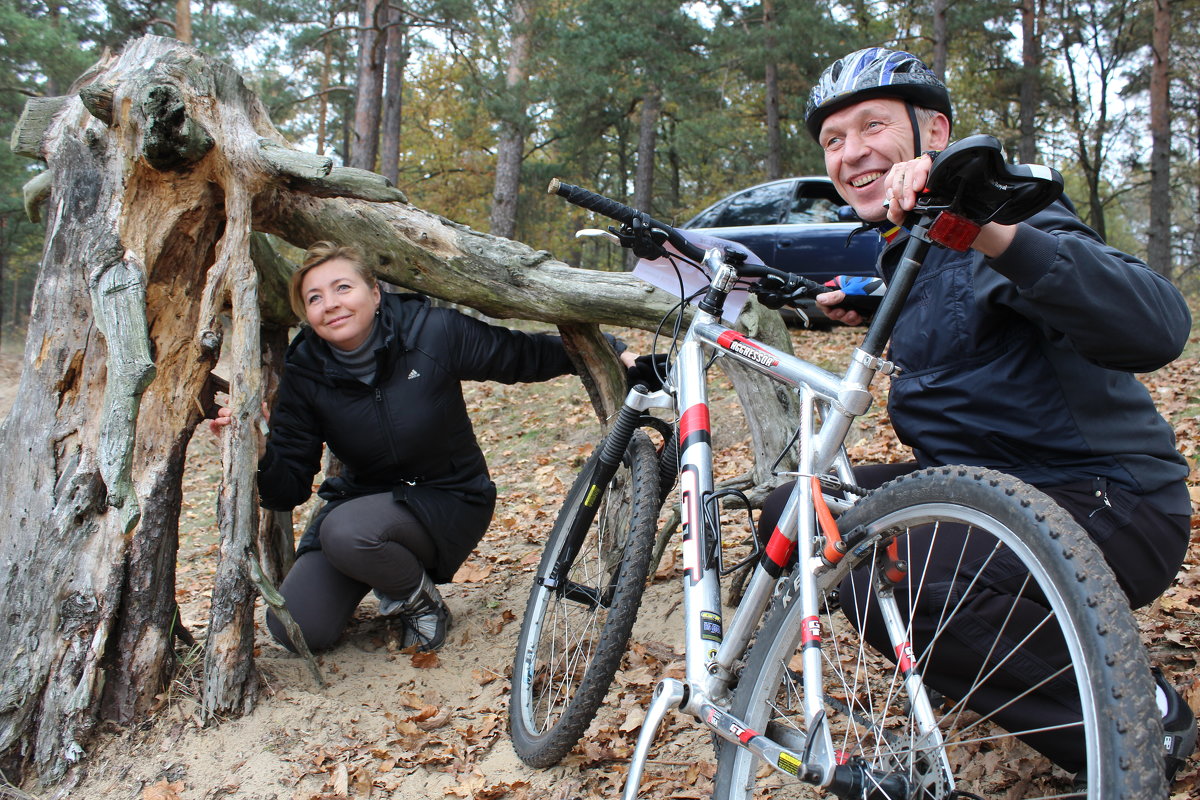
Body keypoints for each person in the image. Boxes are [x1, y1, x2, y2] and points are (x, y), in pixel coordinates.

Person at [758, 47, 1196, 784]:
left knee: (875, 567)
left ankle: (1139, 723)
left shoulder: (1010, 214)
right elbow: (955, 312)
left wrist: (989, 228)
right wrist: (845, 304)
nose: (851, 152)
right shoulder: (910, 252)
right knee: (795, 513)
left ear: (934, 131)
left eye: (871, 127)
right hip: (985, 489)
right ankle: (992, 654)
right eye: (833, 141)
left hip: (1110, 502)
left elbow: (1155, 328)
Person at [211, 241, 634, 654]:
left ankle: (419, 602)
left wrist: (612, 349)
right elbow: (288, 489)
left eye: (343, 287)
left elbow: (520, 354)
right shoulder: (305, 373)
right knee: (297, 630)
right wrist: (261, 452)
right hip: (363, 510)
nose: (331, 303)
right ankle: (383, 568)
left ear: (374, 293)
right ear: (308, 314)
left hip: (449, 499)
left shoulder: (430, 332)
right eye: (315, 297)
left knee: (345, 530)